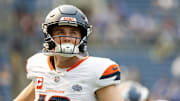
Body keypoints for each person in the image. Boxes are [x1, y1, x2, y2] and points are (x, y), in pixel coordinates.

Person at [14, 4, 123, 101]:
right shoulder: (39, 65)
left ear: (82, 38)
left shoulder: (97, 71)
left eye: (73, 33)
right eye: (60, 32)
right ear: (49, 36)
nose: (67, 38)